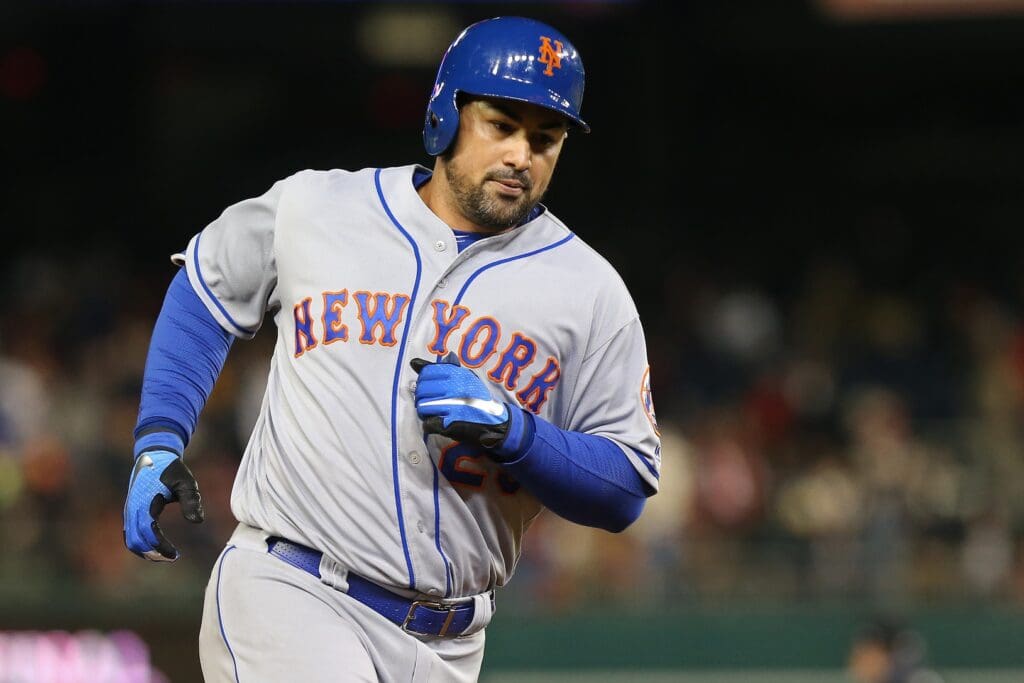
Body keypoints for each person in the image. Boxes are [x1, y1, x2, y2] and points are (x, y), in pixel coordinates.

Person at [122, 15, 661, 682]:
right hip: (293, 591)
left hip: (451, 642)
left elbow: (624, 485)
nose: (523, 155)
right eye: (502, 125)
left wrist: (517, 432)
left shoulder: (590, 290)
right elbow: (204, 292)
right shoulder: (318, 208)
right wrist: (159, 438)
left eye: (545, 139)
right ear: (445, 115)